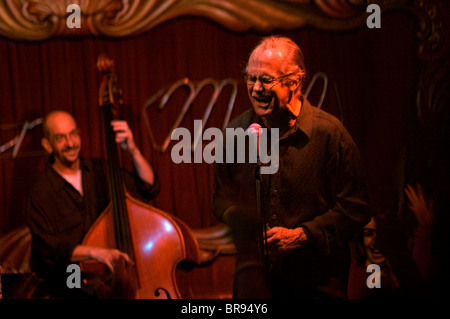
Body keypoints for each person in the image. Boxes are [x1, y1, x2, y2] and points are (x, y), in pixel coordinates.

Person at [213, 35, 371, 299]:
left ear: (294, 82)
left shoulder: (329, 134)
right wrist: (239, 220)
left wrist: (303, 235)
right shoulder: (235, 132)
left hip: (316, 284)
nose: (255, 88)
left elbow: (356, 207)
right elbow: (219, 198)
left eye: (265, 79)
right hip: (254, 285)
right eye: (251, 78)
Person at [26, 110, 159, 298]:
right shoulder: (40, 192)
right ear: (48, 145)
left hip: (111, 281)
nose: (71, 143)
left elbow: (148, 188)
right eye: (61, 138)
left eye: (73, 134)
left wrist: (133, 150)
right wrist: (96, 253)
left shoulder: (101, 170)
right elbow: (48, 250)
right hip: (68, 286)